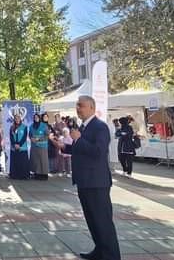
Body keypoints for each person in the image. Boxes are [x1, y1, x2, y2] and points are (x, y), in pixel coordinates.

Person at [70, 96, 121, 260]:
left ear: (91, 107)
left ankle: (111, 256)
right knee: (92, 221)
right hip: (84, 181)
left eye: (81, 106)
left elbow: (98, 151)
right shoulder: (84, 127)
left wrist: (78, 139)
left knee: (102, 222)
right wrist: (64, 146)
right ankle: (100, 250)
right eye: (77, 106)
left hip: (96, 182)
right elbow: (81, 149)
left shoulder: (100, 127)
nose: (78, 108)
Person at [9, 114, 30, 180]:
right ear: (14, 119)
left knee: (23, 162)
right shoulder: (12, 127)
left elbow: (24, 137)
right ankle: (14, 175)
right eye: (16, 118)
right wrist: (14, 144)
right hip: (14, 148)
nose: (17, 119)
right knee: (15, 162)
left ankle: (24, 176)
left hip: (22, 147)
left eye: (18, 118)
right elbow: (11, 137)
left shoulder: (24, 127)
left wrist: (19, 145)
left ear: (20, 119)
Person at [29, 113, 50, 180]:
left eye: (37, 117)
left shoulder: (44, 125)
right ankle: (36, 174)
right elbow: (30, 134)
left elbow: (47, 135)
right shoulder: (31, 126)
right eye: (35, 117)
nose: (36, 119)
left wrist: (39, 139)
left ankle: (44, 175)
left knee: (43, 161)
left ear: (39, 118)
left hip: (42, 145)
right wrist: (31, 138)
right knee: (35, 160)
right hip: (34, 145)